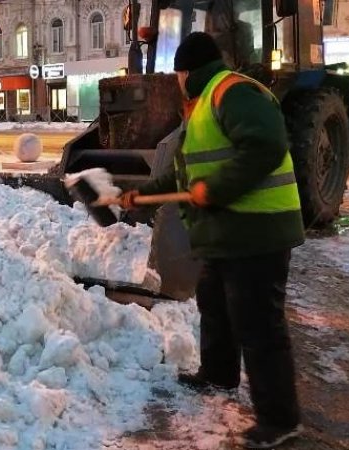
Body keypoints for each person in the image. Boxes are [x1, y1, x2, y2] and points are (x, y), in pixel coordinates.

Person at [119, 32, 305, 449]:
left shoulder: (234, 92)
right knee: (215, 302)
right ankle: (218, 374)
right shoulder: (201, 108)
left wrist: (216, 189)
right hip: (229, 234)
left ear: (188, 71)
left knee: (259, 324)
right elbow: (182, 172)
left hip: (258, 230)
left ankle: (281, 420)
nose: (177, 80)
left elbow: (267, 145)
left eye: (178, 73)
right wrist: (142, 196)